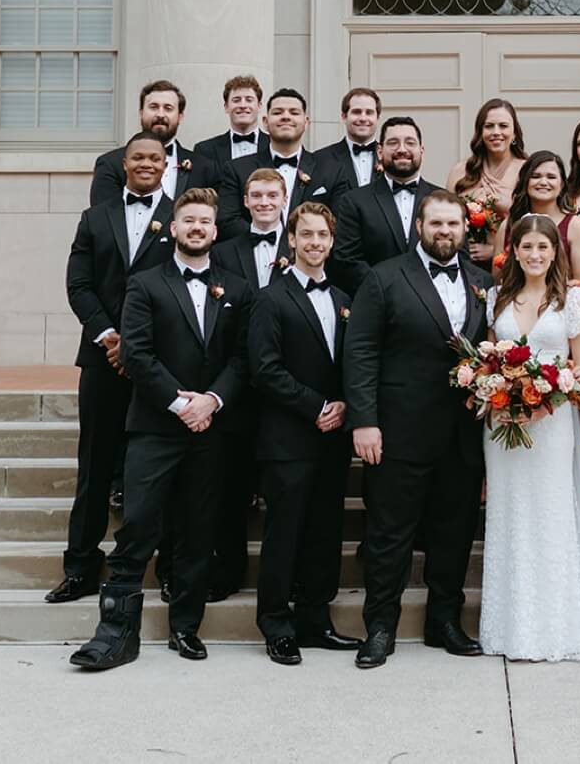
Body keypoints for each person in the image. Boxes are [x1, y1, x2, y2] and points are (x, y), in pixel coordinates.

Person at [69, 188, 256, 672]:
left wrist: (211, 401)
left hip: (210, 429)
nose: (196, 228)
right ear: (173, 228)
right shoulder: (145, 284)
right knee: (139, 527)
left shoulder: (237, 288)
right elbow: (137, 353)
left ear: (216, 232)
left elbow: (242, 358)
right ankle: (115, 633)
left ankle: (185, 628)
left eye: (205, 222)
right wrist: (180, 403)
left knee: (198, 532)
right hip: (155, 427)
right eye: (188, 220)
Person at [343, 189, 492, 669]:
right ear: (419, 228)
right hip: (399, 431)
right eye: (436, 224)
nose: (445, 232)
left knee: (453, 535)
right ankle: (380, 627)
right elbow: (360, 351)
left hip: (463, 436)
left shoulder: (482, 283)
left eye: (453, 224)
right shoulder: (384, 278)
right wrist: (364, 421)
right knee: (389, 535)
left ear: (464, 228)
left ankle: (444, 622)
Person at [49, 131, 176, 605]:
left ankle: (167, 568)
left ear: (167, 166)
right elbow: (79, 284)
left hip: (158, 363)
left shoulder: (179, 217)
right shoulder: (95, 218)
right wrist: (110, 336)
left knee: (160, 470)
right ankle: (80, 568)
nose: (147, 163)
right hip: (103, 359)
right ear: (124, 164)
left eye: (155, 158)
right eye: (138, 157)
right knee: (95, 466)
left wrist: (138, 345)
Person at [478, 213, 580, 662]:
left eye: (543, 247)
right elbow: (489, 359)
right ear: (512, 251)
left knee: (550, 513)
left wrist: (543, 401)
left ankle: (558, 627)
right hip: (504, 425)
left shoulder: (573, 301)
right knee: (511, 514)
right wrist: (503, 396)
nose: (534, 255)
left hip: (552, 423)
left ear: (556, 253)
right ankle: (512, 627)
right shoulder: (497, 297)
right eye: (526, 247)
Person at [248, 202, 365, 664]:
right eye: (307, 235)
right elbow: (264, 369)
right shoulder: (269, 298)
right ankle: (275, 624)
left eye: (323, 235)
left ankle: (316, 620)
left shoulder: (344, 300)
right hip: (287, 438)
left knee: (324, 531)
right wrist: (314, 406)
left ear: (332, 243)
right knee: (284, 533)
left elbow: (352, 364)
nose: (315, 243)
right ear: (291, 240)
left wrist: (344, 406)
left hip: (332, 437)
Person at [205, 167, 293, 600]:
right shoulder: (223, 250)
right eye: (255, 195)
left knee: (283, 486)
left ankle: (285, 579)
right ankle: (228, 571)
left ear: (283, 198)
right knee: (231, 484)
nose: (263, 202)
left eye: (271, 195)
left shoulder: (303, 245)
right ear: (244, 200)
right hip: (237, 380)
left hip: (286, 379)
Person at [329, 115, 437, 294]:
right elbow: (346, 259)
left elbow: (458, 256)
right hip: (376, 303)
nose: (402, 149)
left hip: (433, 304)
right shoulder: (354, 201)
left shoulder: (442, 200)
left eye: (410, 143)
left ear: (421, 150)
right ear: (379, 151)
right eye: (393, 143)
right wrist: (387, 290)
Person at [218, 87, 331, 237]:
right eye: (278, 112)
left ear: (306, 122)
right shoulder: (236, 169)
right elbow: (228, 220)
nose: (286, 117)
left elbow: (337, 222)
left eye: (294, 112)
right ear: (265, 121)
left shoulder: (330, 169)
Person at [89, 79, 221, 206]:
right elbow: (103, 219)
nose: (160, 114)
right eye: (153, 107)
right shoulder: (110, 164)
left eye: (168, 108)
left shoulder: (205, 168)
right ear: (141, 113)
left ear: (180, 116)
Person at [446, 98, 527, 267]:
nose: (496, 132)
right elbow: (446, 218)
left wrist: (494, 250)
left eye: (503, 126)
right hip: (466, 263)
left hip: (513, 265)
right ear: (480, 132)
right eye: (489, 126)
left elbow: (538, 225)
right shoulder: (460, 171)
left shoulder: (527, 171)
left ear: (514, 133)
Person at [505, 150, 580, 281]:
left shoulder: (575, 226)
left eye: (551, 177)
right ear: (525, 181)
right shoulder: (508, 226)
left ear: (562, 184)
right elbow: (498, 280)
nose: (543, 182)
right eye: (535, 176)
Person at [307, 86, 382, 199]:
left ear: (377, 118)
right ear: (344, 117)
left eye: (369, 112)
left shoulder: (391, 157)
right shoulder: (321, 159)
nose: (363, 118)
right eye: (356, 112)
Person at [195, 74, 270, 165]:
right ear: (226, 107)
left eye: (249, 100)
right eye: (236, 100)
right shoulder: (205, 150)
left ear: (259, 106)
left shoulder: (275, 145)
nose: (243, 105)